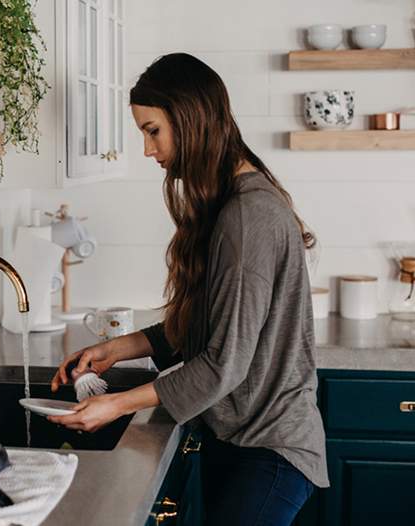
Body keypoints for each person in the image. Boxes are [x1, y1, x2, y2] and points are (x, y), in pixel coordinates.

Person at [47, 53, 330, 525]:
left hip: (270, 450)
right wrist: (119, 347)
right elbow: (208, 323)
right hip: (241, 438)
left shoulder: (248, 217)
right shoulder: (233, 203)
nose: (147, 148)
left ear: (189, 119)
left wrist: (115, 405)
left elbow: (224, 364)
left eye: (152, 130)